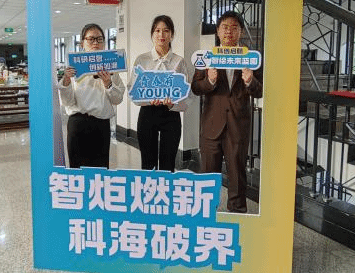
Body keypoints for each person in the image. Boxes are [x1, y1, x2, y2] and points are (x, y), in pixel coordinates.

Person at [191, 11, 263, 213]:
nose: (229, 32)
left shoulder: (251, 59)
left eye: (234, 28)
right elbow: (196, 87)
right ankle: (206, 213)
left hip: (238, 126)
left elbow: (260, 90)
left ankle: (238, 212)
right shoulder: (207, 58)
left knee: (237, 174)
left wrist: (250, 81)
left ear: (241, 32)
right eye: (225, 27)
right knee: (208, 174)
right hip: (211, 125)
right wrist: (210, 80)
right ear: (217, 31)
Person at [59, 23, 125, 169]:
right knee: (77, 170)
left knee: (100, 170)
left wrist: (108, 83)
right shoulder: (74, 67)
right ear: (82, 43)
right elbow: (67, 102)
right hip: (78, 123)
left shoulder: (112, 67)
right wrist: (66, 81)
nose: (95, 43)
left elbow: (117, 99)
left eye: (99, 39)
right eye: (91, 39)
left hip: (101, 125)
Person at [129, 15, 189, 172]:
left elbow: (187, 95)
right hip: (147, 114)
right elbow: (132, 90)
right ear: (152, 34)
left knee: (168, 164)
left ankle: (166, 188)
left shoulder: (179, 61)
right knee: (148, 164)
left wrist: (173, 104)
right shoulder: (142, 60)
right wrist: (148, 100)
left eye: (166, 31)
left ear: (172, 35)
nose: (161, 35)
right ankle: (149, 188)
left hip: (171, 115)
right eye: (157, 30)